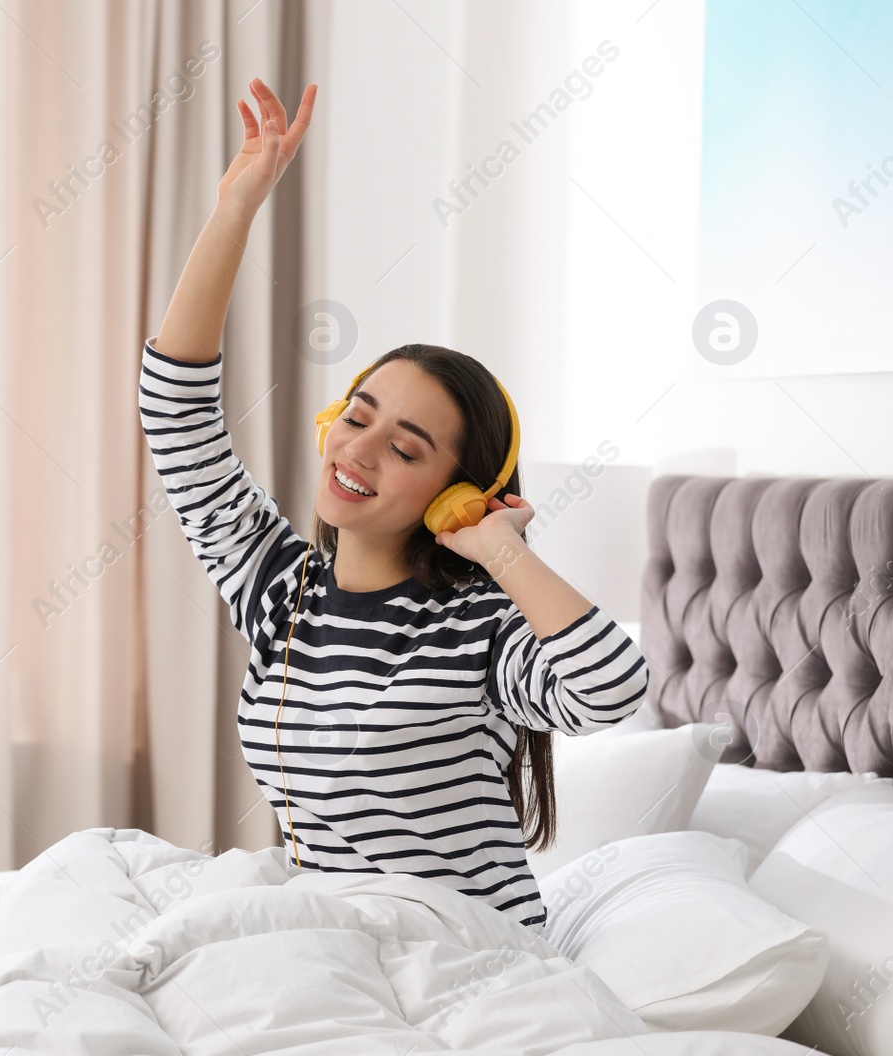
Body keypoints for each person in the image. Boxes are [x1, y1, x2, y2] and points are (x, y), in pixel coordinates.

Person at [141, 76, 649, 931]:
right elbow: (175, 412)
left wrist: (504, 553)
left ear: (456, 493)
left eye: (405, 448)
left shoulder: (478, 626)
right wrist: (235, 209)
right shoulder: (279, 586)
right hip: (336, 933)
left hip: (463, 955)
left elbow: (611, 690)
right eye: (357, 415)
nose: (358, 450)